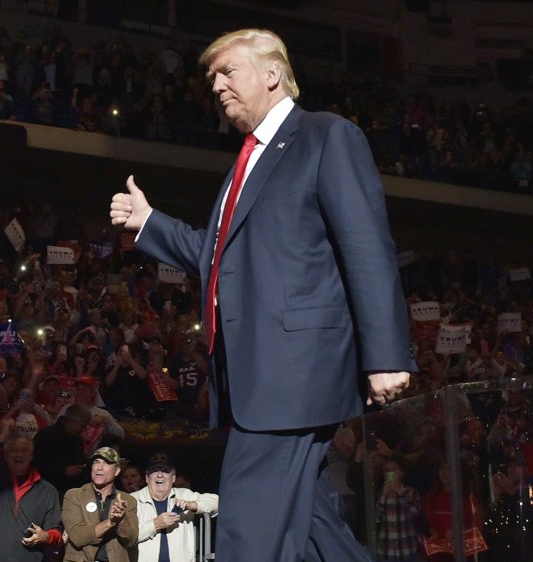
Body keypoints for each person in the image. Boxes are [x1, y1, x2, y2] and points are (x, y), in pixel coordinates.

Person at [108, 28, 415, 561]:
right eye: (212, 78)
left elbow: (367, 246)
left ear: (272, 74)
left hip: (293, 375)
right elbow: (219, 256)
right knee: (317, 533)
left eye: (228, 71)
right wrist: (149, 222)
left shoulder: (326, 136)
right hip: (262, 378)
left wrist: (386, 355)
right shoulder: (244, 163)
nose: (217, 86)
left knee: (247, 534)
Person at [0, 432, 63, 562]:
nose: (19, 454)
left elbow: (57, 532)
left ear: (31, 455)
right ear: (6, 456)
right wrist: (0, 440)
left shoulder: (47, 491)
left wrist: (46, 537)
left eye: (24, 450)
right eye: (14, 450)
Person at [130, 453, 218, 562]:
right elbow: (126, 537)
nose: (160, 475)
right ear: (147, 478)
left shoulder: (184, 495)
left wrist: (192, 505)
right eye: (154, 471)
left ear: (173, 478)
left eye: (165, 471)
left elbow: (217, 502)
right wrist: (154, 525)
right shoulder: (132, 500)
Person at [61, 446, 138, 562]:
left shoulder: (128, 500)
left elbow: (132, 540)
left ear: (117, 471)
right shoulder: (74, 496)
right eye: (96, 462)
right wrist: (110, 522)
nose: (99, 468)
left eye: (106, 463)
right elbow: (77, 537)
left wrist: (122, 520)